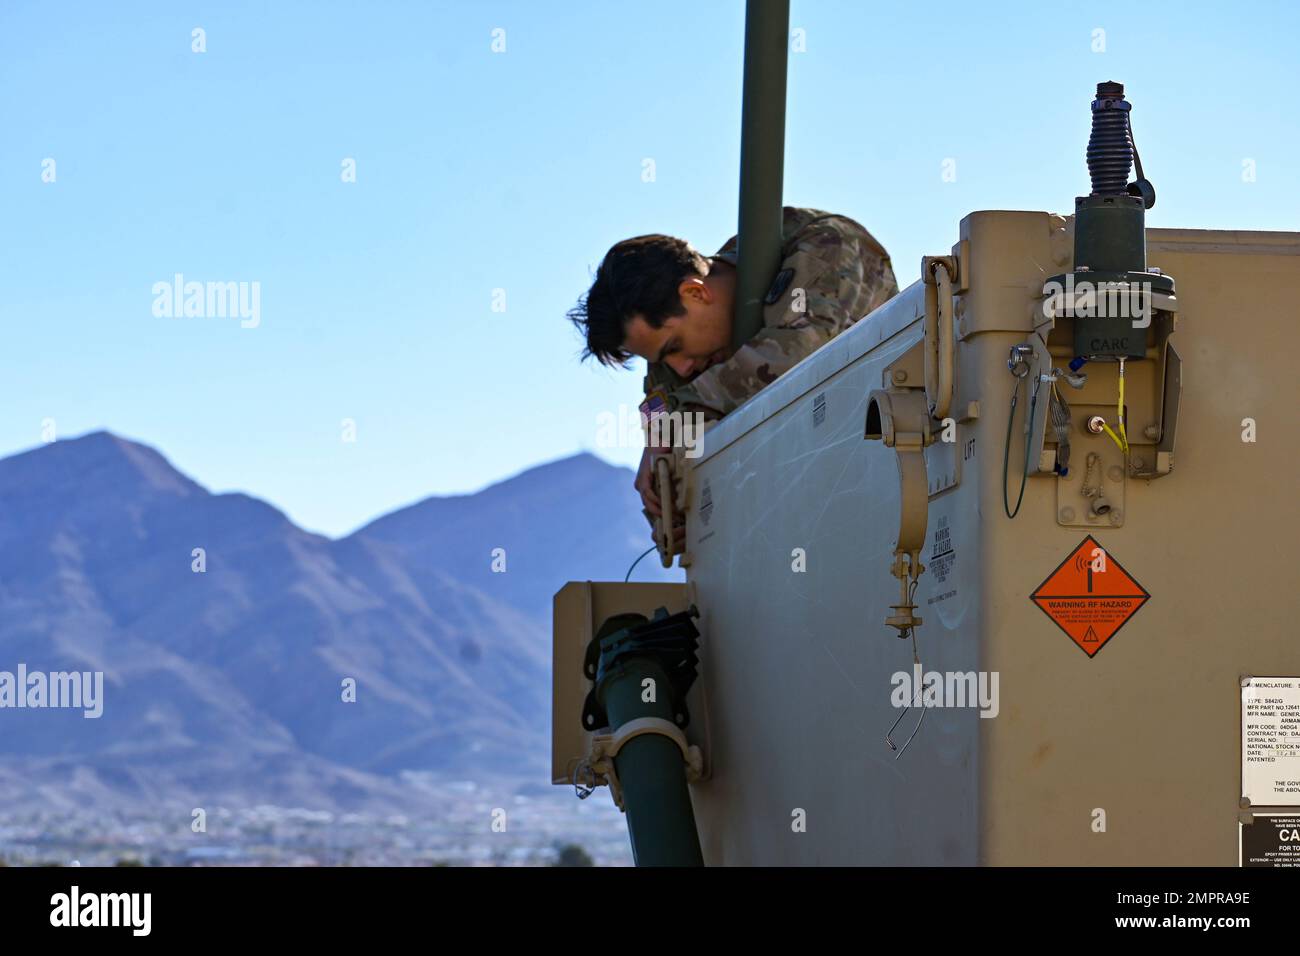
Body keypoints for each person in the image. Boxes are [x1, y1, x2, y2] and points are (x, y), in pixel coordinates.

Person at [568, 206, 898, 534]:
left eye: (673, 347)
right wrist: (660, 464)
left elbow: (798, 353)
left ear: (695, 292)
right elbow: (660, 400)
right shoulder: (682, 342)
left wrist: (678, 418)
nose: (681, 368)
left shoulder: (824, 246)